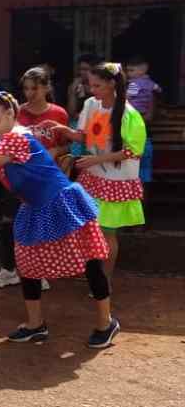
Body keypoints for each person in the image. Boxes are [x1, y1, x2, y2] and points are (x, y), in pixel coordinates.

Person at [0, 92, 119, 349]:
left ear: (10, 113)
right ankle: (35, 324)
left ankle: (106, 324)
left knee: (90, 262)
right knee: (27, 266)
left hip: (61, 202)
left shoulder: (18, 137)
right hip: (34, 207)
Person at [56, 63, 146, 284]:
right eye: (90, 85)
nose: (92, 89)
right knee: (88, 228)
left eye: (97, 85)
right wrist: (64, 130)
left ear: (112, 84)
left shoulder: (128, 114)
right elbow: (85, 136)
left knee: (107, 232)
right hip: (93, 175)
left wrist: (96, 160)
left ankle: (104, 280)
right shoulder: (91, 104)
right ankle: (93, 274)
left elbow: (132, 151)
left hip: (115, 180)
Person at [0, 68, 69, 291]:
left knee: (38, 224)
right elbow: (1, 138)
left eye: (35, 88)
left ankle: (38, 272)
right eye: (26, 88)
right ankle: (8, 269)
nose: (30, 93)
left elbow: (69, 144)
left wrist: (57, 150)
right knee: (8, 222)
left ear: (47, 88)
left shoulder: (59, 113)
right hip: (15, 176)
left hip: (43, 180)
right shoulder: (16, 111)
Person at [126, 55, 161, 193]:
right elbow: (158, 89)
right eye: (128, 71)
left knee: (138, 172)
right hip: (139, 129)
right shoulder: (151, 84)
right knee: (142, 174)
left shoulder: (133, 84)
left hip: (138, 132)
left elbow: (127, 98)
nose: (129, 74)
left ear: (143, 69)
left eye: (131, 70)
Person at [67, 54, 102, 123]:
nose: (81, 72)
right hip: (77, 123)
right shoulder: (75, 85)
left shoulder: (102, 86)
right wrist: (73, 91)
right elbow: (71, 112)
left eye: (85, 69)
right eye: (80, 69)